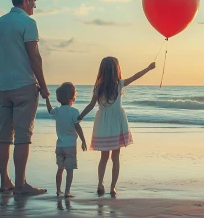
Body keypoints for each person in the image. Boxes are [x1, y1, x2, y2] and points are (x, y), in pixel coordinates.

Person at [0, 0, 49, 195]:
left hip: (4, 89)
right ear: (26, 0)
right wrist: (44, 87)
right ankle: (20, 184)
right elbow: (35, 57)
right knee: (23, 136)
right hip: (24, 86)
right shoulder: (28, 23)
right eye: (35, 0)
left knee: (3, 135)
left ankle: (5, 181)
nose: (35, 5)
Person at [78, 57, 155, 196]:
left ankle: (100, 183)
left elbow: (91, 105)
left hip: (103, 122)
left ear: (102, 70)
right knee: (116, 157)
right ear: (116, 70)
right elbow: (135, 76)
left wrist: (80, 116)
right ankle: (113, 187)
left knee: (104, 157)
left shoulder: (98, 87)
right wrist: (148, 68)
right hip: (117, 122)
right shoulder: (119, 84)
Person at [45, 82, 87, 197]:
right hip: (70, 146)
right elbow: (78, 127)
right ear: (72, 98)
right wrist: (83, 141)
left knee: (60, 169)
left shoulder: (57, 111)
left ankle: (58, 190)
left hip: (59, 146)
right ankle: (67, 191)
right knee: (69, 170)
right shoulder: (74, 112)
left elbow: (49, 110)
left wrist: (47, 98)